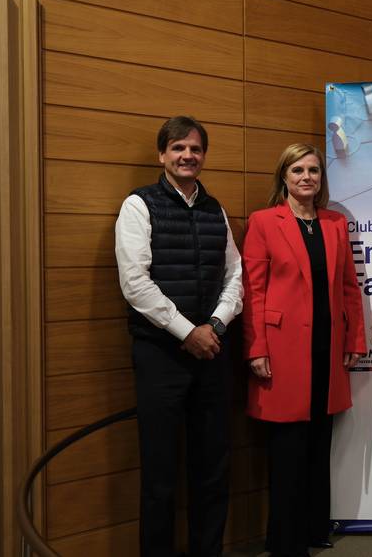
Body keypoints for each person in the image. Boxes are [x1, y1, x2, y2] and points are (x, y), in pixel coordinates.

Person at [115, 115, 243, 557]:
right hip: (160, 357)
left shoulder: (215, 209)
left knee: (212, 471)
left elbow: (235, 277)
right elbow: (135, 284)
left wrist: (215, 327)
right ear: (162, 155)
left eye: (195, 149)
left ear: (204, 156)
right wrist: (188, 331)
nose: (187, 155)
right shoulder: (138, 205)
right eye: (178, 148)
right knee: (160, 476)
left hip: (212, 353)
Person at [242, 143, 367, 557]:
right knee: (288, 451)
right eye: (297, 170)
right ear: (284, 177)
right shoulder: (263, 222)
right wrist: (256, 348)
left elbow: (350, 287)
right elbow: (253, 290)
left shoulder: (333, 224)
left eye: (313, 170)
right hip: (281, 351)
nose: (306, 177)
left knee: (318, 444)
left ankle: (315, 527)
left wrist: (355, 339)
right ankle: (285, 540)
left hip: (327, 349)